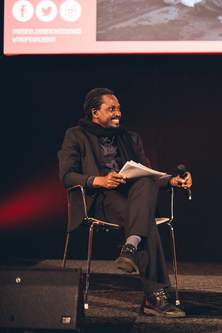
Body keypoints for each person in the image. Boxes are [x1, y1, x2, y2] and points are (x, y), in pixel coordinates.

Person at [58, 88, 191, 318]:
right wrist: (98, 180)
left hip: (132, 199)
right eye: (111, 109)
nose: (118, 113)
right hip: (100, 199)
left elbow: (148, 173)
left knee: (146, 184)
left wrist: (172, 181)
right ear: (95, 113)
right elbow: (67, 175)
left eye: (119, 108)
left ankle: (130, 246)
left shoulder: (130, 137)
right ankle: (155, 296)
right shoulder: (76, 135)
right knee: (144, 221)